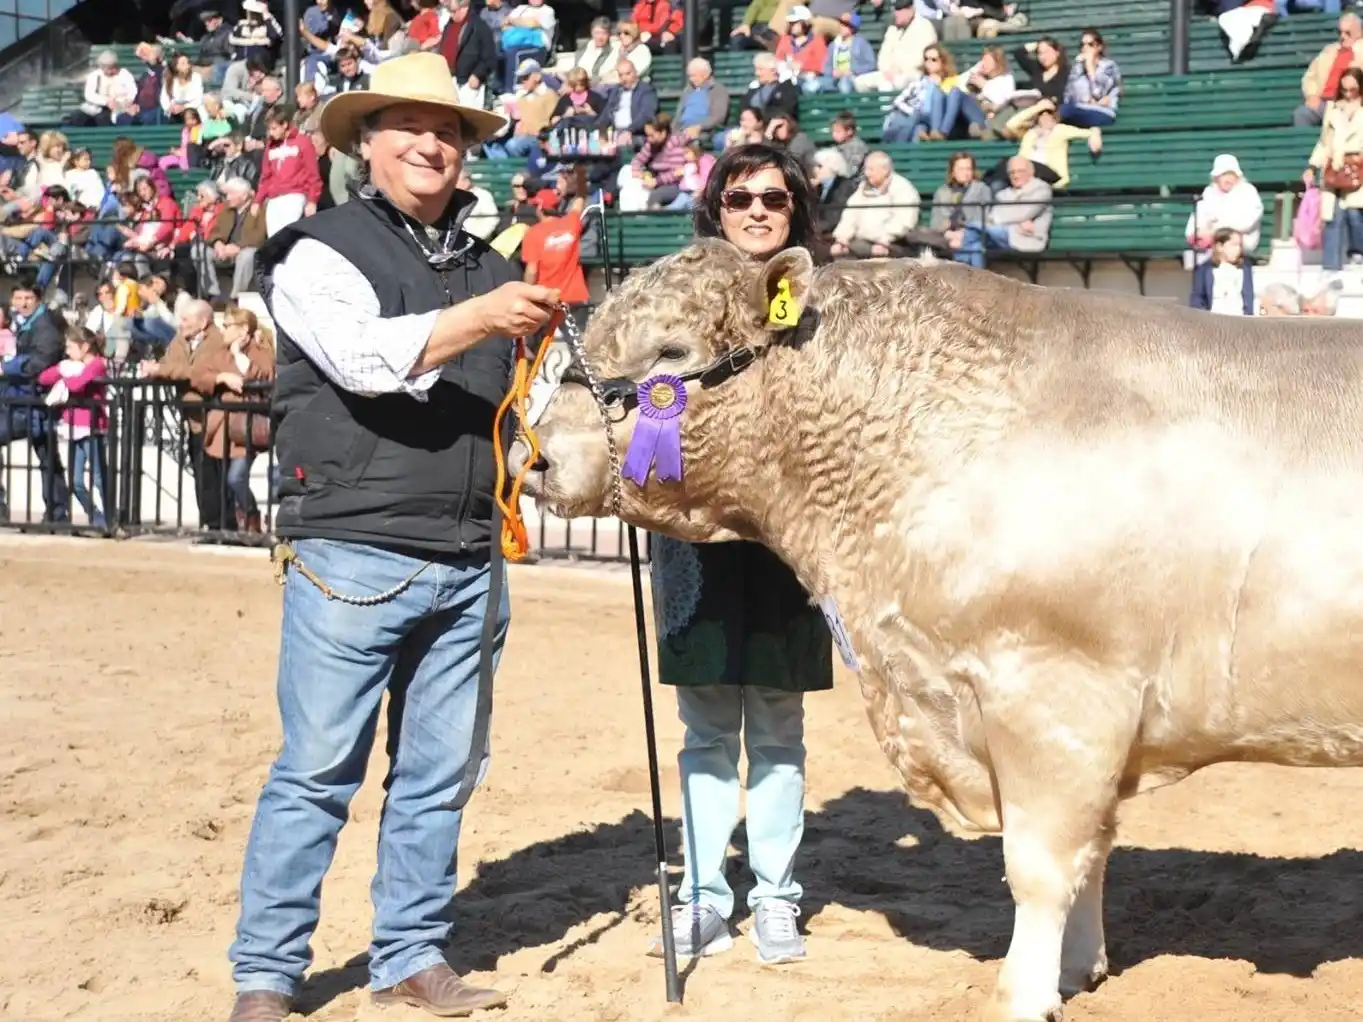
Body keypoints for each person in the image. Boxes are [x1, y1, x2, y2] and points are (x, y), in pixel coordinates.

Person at [225, 52, 560, 1022]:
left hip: (468, 559)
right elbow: (365, 361)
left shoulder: (496, 265)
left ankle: (409, 951)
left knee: (437, 777)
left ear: (464, 153)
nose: (430, 143)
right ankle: (267, 975)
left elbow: (522, 404)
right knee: (316, 771)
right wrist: (482, 316)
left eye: (448, 131)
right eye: (408, 126)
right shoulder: (316, 254)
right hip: (351, 556)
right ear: (365, 144)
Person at [647, 142, 834, 967]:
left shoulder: (818, 302)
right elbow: (645, 410)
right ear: (714, 207)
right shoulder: (670, 296)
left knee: (779, 726)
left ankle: (775, 898)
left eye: (774, 197)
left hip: (787, 543)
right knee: (706, 728)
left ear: (795, 209)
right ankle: (701, 896)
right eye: (738, 196)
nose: (756, 209)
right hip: (697, 538)